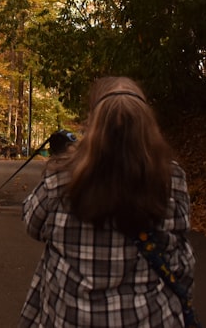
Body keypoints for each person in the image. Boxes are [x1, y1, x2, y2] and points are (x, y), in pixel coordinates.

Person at [19, 76, 196, 327]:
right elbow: (181, 256)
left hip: (70, 318)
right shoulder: (170, 177)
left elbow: (32, 223)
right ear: (148, 126)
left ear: (92, 125)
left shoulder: (60, 177)